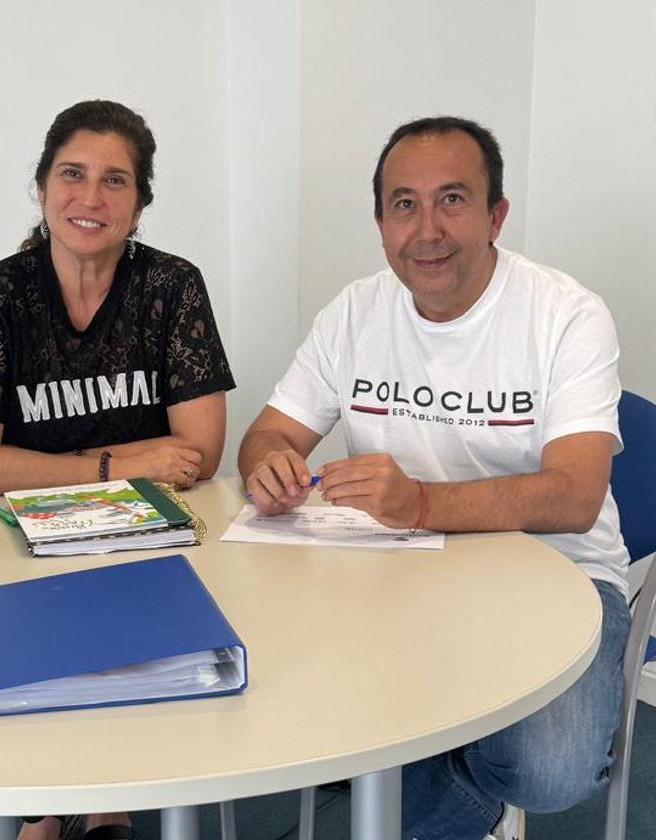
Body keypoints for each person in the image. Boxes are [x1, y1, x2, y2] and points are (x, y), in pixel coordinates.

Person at [237, 116, 631, 840]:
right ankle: (429, 764)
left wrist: (419, 502)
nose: (427, 229)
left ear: (495, 214)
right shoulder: (352, 313)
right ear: (381, 221)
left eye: (452, 199)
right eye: (404, 204)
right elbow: (269, 431)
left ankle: (415, 791)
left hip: (559, 574)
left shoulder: (567, 315)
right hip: (396, 574)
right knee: (274, 694)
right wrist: (267, 463)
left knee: (548, 770)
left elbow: (575, 497)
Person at [0, 100, 236, 840]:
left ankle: (102, 805)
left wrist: (50, 467)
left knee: (133, 628)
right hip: (16, 542)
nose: (90, 198)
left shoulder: (173, 289)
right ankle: (43, 811)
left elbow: (198, 455)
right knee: (36, 624)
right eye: (73, 174)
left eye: (115, 182)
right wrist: (116, 462)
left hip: (145, 545)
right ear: (41, 187)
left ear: (139, 206)